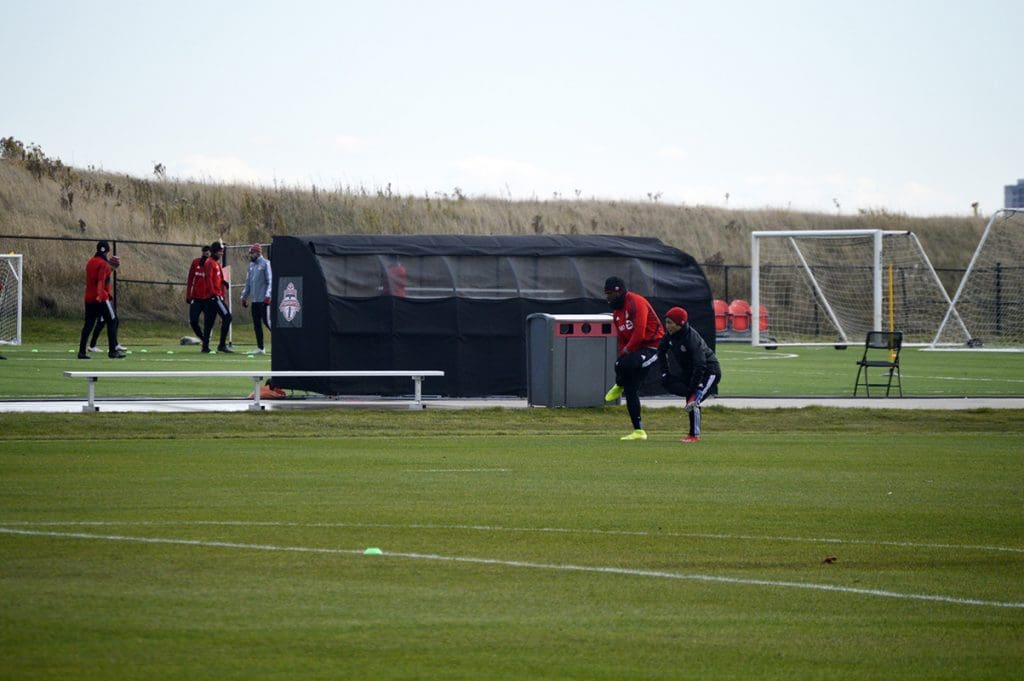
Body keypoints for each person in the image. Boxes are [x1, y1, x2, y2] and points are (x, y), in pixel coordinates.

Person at [603, 276, 664, 441]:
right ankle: (638, 431)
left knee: (628, 363)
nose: (608, 297)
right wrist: (622, 354)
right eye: (606, 294)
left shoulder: (636, 302)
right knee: (627, 380)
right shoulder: (616, 312)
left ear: (620, 292)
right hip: (637, 348)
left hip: (654, 346)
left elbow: (639, 333)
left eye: (611, 294)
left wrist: (627, 351)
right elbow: (622, 337)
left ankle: (620, 384)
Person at [658, 306, 722, 443]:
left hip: (709, 372)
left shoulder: (691, 339)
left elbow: (701, 364)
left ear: (680, 323)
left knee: (693, 401)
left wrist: (695, 386)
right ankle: (693, 433)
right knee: (669, 383)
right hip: (691, 372)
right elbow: (661, 351)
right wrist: (664, 373)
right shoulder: (669, 336)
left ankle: (694, 435)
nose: (667, 326)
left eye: (670, 323)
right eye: (667, 322)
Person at [77, 241, 125, 359]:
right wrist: (101, 296)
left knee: (88, 324)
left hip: (89, 297)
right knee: (112, 320)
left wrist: (111, 269)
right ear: (107, 251)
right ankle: (112, 350)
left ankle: (82, 351)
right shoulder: (103, 264)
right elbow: (101, 280)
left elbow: (94, 278)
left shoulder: (90, 262)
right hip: (100, 297)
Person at [87, 254, 127, 353]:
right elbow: (101, 285)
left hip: (105, 299)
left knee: (113, 321)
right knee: (103, 322)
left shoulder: (107, 270)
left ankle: (115, 344)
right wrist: (104, 297)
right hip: (102, 300)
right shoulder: (105, 270)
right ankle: (93, 345)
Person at [239, 243, 272, 354]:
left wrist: (268, 296)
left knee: (268, 323)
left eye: (252, 253)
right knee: (257, 325)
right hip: (255, 301)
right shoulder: (251, 266)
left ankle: (281, 344)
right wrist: (244, 297)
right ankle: (260, 347)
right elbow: (248, 283)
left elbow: (270, 281)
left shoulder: (266, 264)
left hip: (264, 301)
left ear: (258, 253)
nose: (250, 255)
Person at [202, 241, 233, 353]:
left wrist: (223, 283)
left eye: (222, 251)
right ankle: (221, 345)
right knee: (227, 317)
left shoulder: (216, 263)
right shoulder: (210, 263)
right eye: (220, 251)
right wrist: (214, 293)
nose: (221, 253)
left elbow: (216, 278)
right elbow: (208, 279)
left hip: (214, 296)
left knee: (209, 321)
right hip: (213, 296)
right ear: (214, 251)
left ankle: (205, 346)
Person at [185, 244, 212, 342]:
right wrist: (188, 294)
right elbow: (190, 278)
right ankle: (202, 338)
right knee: (193, 321)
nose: (206, 253)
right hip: (196, 297)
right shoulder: (196, 263)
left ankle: (206, 341)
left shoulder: (213, 264)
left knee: (208, 321)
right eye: (205, 251)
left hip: (208, 298)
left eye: (208, 251)